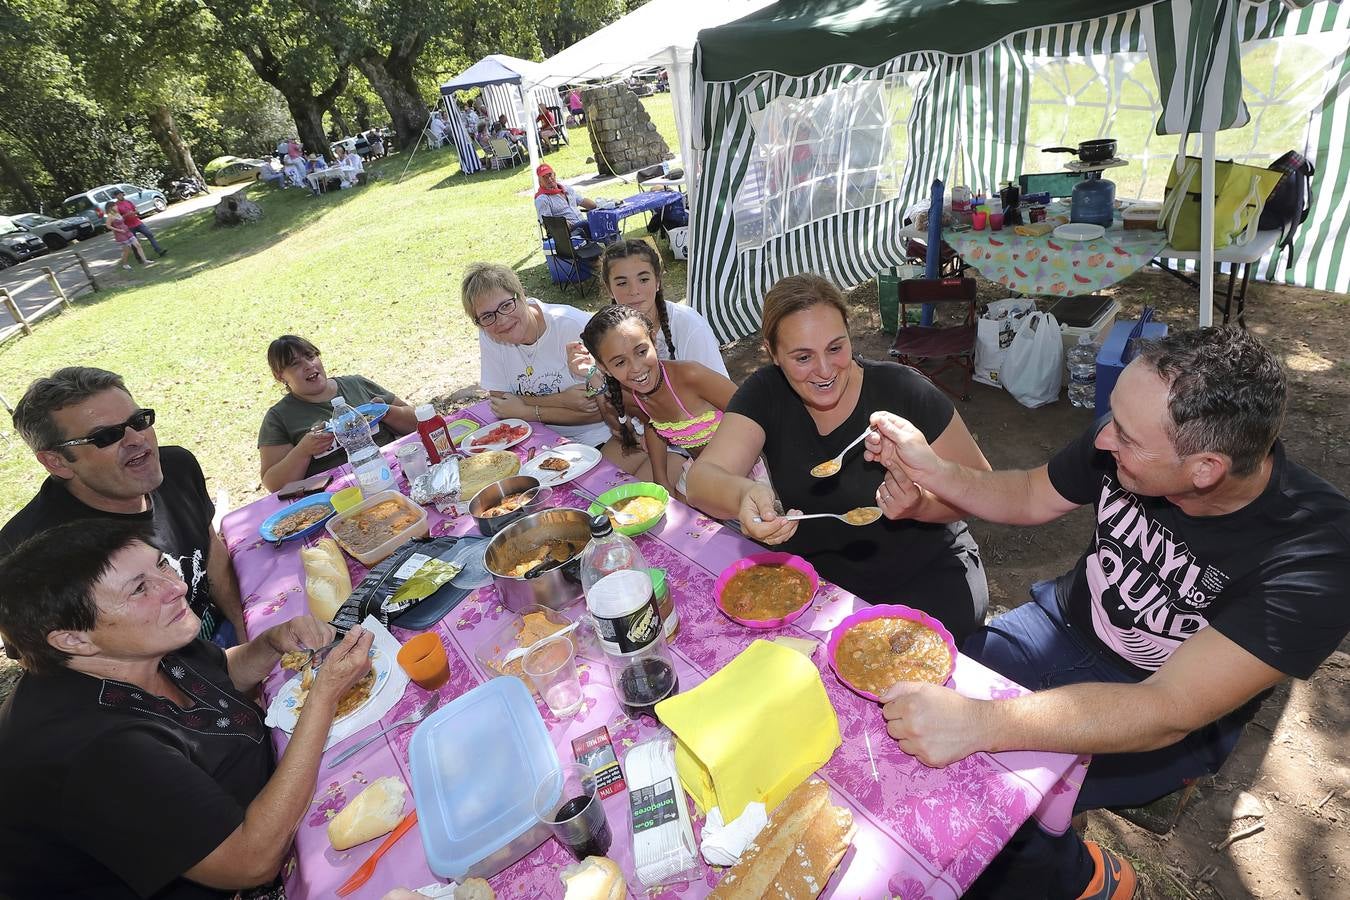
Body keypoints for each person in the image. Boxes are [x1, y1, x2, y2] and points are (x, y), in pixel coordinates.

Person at [864, 327, 1350, 900]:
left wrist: (981, 724)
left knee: (985, 792)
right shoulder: (1133, 434)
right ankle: (1061, 857)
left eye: (1125, 435)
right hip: (1056, 629)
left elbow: (1166, 709)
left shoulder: (1319, 554)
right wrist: (935, 472)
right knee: (896, 724)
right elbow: (1027, 493)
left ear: (1205, 469)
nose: (1102, 441)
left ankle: (1084, 879)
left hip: (1160, 705)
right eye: (1113, 418)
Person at [0, 519, 375, 899]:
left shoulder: (134, 645)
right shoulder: (98, 753)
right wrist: (323, 696)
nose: (177, 587)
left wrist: (271, 645)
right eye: (140, 589)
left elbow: (215, 674)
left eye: (161, 564)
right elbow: (251, 861)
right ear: (74, 639)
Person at [686, 273, 991, 643]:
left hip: (925, 577)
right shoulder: (765, 393)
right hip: (818, 585)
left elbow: (982, 489)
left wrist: (920, 505)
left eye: (835, 348)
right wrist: (742, 494)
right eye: (802, 357)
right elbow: (703, 481)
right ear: (772, 353)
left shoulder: (903, 391)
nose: (825, 370)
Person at [1, 367, 247, 646]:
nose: (137, 439)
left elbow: (210, 549)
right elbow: (54, 665)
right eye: (106, 436)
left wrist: (245, 630)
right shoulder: (25, 556)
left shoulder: (178, 467)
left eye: (139, 421)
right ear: (56, 461)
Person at [461, 262, 652, 478]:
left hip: (609, 436)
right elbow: (500, 402)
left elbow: (604, 409)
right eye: (487, 316)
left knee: (589, 492)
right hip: (549, 442)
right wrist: (562, 400)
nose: (501, 320)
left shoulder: (573, 326)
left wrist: (526, 410)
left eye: (506, 305)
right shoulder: (491, 334)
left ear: (521, 294)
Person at [581, 304, 754, 502]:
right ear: (605, 368)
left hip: (749, 467)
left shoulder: (691, 376)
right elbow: (653, 425)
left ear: (653, 339)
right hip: (701, 470)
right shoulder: (631, 395)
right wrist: (660, 478)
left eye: (641, 351)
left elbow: (752, 414)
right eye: (620, 362)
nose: (636, 368)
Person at [258, 335, 417, 492]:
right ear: (280, 376)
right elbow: (274, 484)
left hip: (395, 477)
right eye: (295, 364)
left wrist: (387, 412)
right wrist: (303, 451)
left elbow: (419, 423)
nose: (308, 365)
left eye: (310, 356)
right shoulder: (279, 417)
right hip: (339, 497)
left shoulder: (356, 384)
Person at [534, 163, 596, 240]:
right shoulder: (542, 199)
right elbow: (547, 223)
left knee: (601, 217)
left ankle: (610, 245)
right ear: (540, 182)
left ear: (554, 175)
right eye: (545, 177)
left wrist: (600, 206)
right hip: (568, 234)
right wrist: (562, 223)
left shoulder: (566, 189)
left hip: (583, 226)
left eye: (550, 175)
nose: (549, 179)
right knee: (587, 224)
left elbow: (583, 201)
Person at [113, 189, 165, 257]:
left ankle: (158, 250)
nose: (121, 196)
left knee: (149, 234)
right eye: (119, 195)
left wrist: (135, 212)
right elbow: (118, 218)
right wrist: (126, 215)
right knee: (134, 242)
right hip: (129, 226)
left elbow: (136, 210)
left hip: (137, 222)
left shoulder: (128, 202)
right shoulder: (116, 206)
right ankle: (139, 257)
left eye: (122, 194)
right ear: (116, 196)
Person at [104, 202, 155, 271]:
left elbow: (122, 220)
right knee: (127, 250)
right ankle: (125, 264)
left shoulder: (117, 213)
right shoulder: (110, 216)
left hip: (127, 231)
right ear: (110, 208)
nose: (116, 207)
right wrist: (118, 230)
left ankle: (145, 260)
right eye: (115, 206)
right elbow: (108, 226)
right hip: (120, 234)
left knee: (137, 245)